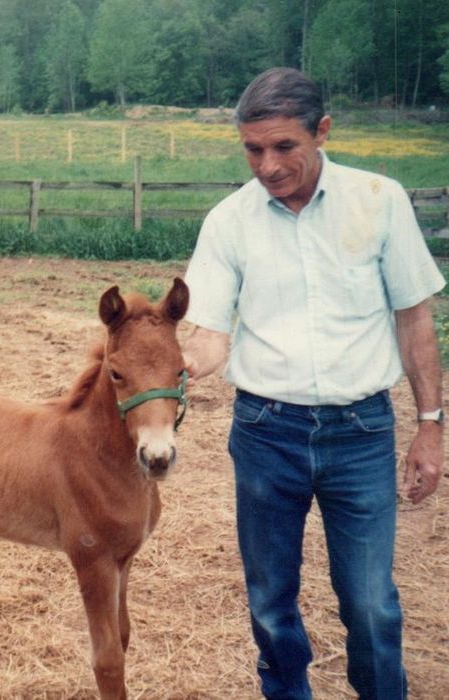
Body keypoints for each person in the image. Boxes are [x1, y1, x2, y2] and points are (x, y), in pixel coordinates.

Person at [182, 67, 444, 699]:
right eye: (252, 149)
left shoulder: (380, 200)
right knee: (271, 601)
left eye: (283, 147)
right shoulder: (228, 222)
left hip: (360, 433)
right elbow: (209, 331)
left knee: (371, 604)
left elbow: (414, 318)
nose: (267, 166)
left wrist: (431, 427)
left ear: (322, 131)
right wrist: (171, 363)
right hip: (266, 433)